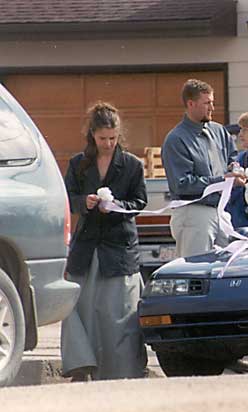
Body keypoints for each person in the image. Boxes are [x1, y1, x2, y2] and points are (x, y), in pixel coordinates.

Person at [62, 102, 147, 381]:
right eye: (102, 138)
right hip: (87, 245)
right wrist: (83, 202)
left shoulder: (132, 165)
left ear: (119, 134)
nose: (108, 144)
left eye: (112, 138)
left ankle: (122, 371)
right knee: (78, 308)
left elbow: (139, 201)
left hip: (118, 246)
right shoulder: (78, 163)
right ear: (92, 135)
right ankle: (81, 366)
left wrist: (118, 206)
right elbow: (68, 198)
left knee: (118, 314)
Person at [162, 79, 238, 258]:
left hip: (220, 211)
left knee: (230, 265)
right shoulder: (176, 139)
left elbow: (232, 158)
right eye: (207, 103)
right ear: (191, 104)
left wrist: (236, 170)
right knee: (195, 269)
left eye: (212, 102)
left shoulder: (219, 131)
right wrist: (221, 181)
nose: (212, 107)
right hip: (193, 213)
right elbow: (182, 184)